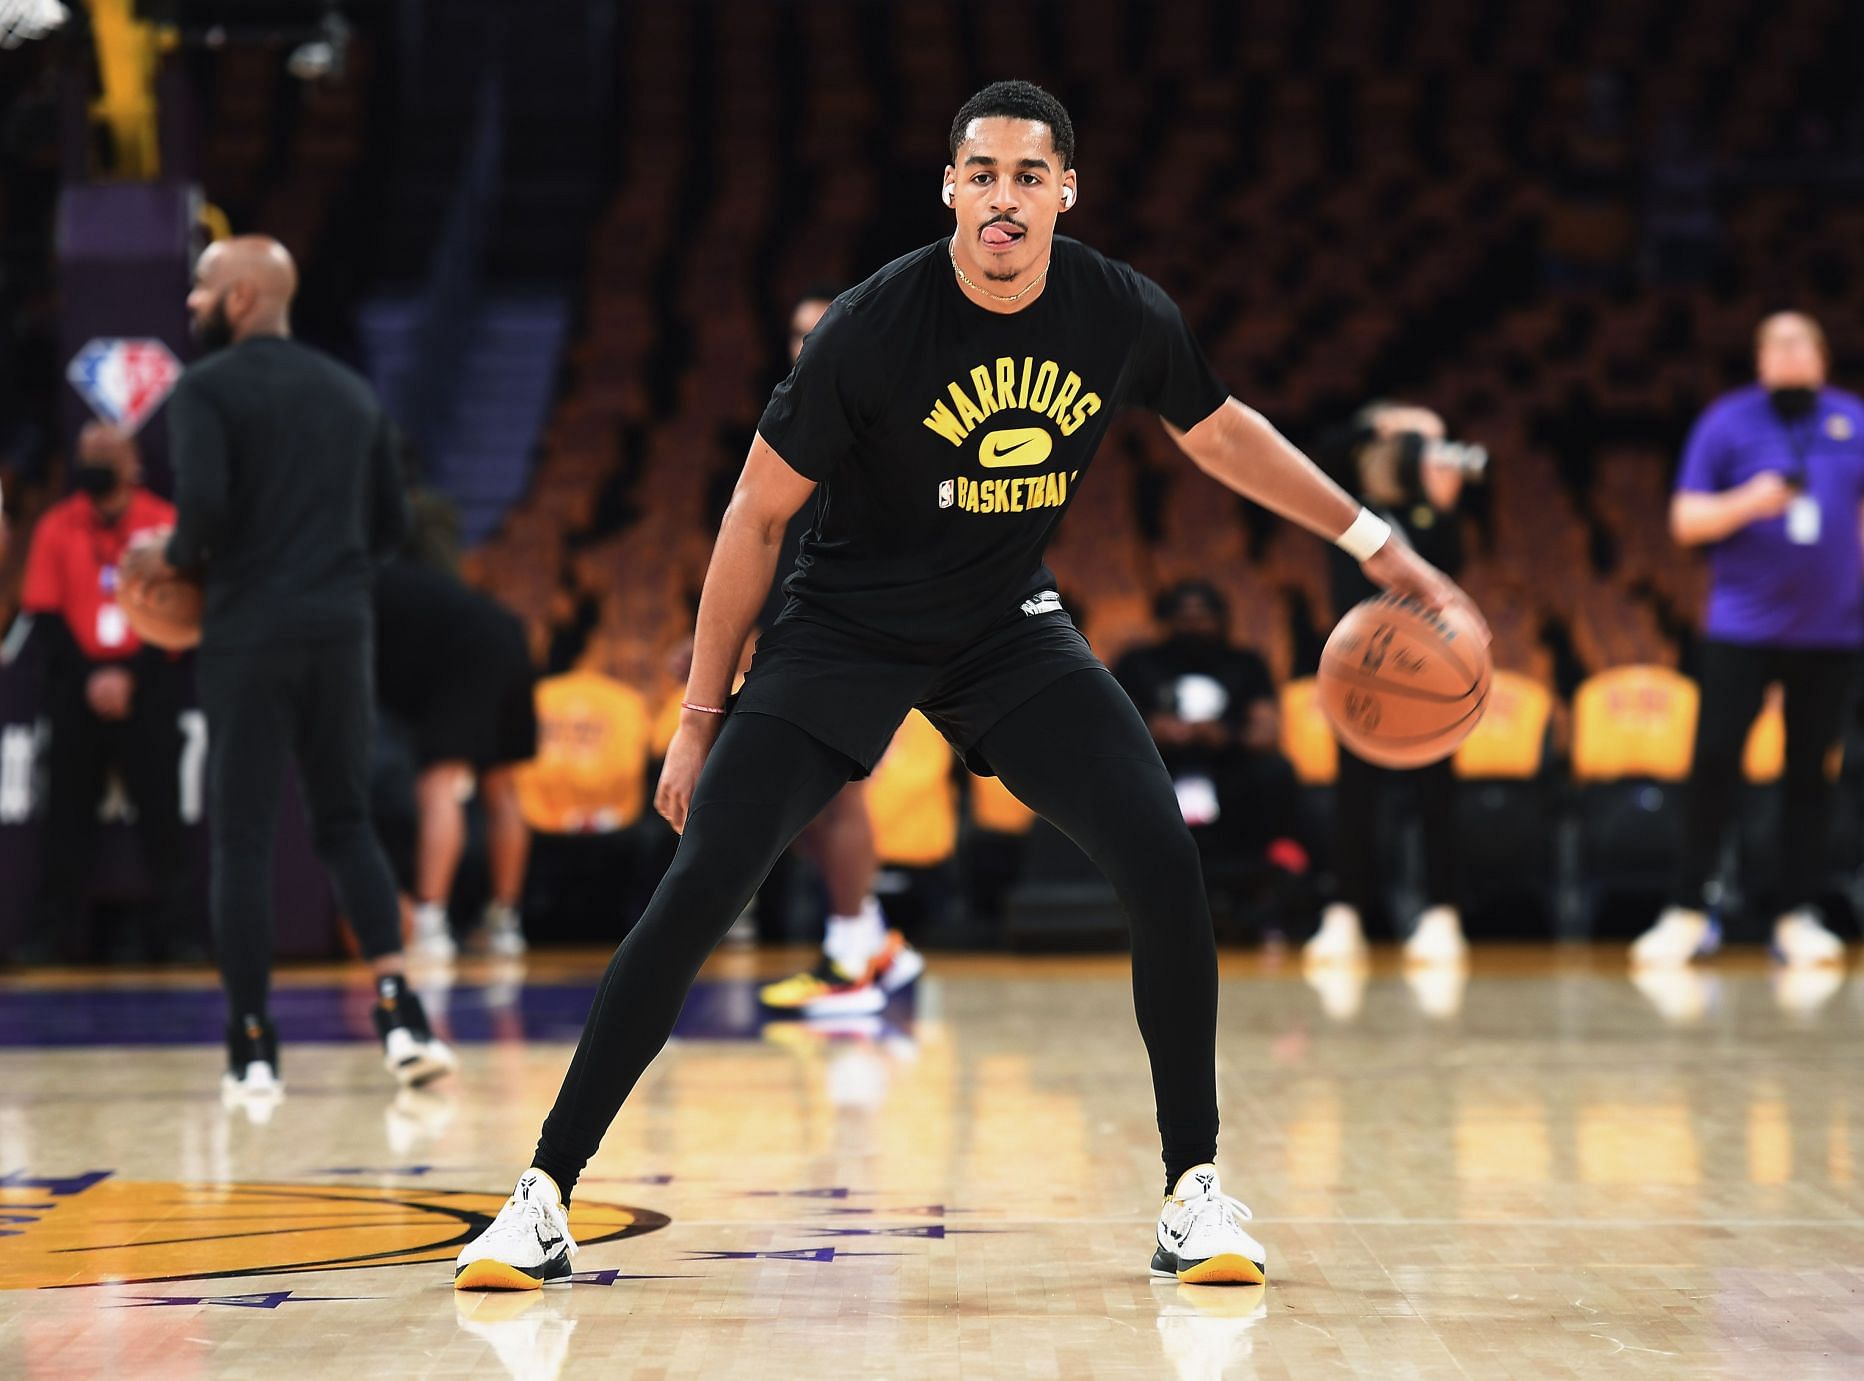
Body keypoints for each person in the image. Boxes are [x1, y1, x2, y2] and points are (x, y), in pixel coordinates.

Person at [455, 80, 1481, 1293]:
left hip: (1002, 625)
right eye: (982, 174)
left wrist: (1375, 539)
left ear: (1065, 192)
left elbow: (1220, 432)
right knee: (700, 887)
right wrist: (698, 716)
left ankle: (1192, 1193)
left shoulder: (1116, 309)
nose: (1004, 198)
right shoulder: (874, 325)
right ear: (949, 186)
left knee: (1161, 850)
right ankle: (543, 1195)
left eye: (1028, 176)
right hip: (841, 626)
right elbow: (755, 512)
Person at [122, 234, 453, 1097]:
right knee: (346, 822)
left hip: (246, 630)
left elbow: (206, 511)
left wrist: (171, 554)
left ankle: (253, 1046)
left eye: (199, 290)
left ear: (239, 298)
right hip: (342, 630)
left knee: (243, 835)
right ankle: (400, 1015)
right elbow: (389, 526)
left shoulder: (204, 390)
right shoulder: (351, 392)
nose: (190, 305)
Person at [1631, 311, 1864, 970]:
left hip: (1832, 631)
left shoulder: (1854, 420)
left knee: (1812, 775)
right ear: (1759, 359)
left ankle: (1796, 914)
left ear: (1821, 356)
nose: (1789, 352)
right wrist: (1746, 503)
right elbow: (1684, 520)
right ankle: (1688, 908)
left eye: (1801, 341)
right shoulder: (1726, 421)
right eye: (1776, 342)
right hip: (1742, 628)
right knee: (1716, 763)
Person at [756, 286, 925, 1018]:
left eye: (818, 332)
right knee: (799, 814)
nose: (806, 346)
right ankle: (876, 942)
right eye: (796, 334)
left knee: (837, 797)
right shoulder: (791, 426)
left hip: (863, 645)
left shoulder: (881, 424)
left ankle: (854, 955)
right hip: (801, 645)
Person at [15, 422, 197, 963]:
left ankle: (180, 937)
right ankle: (50, 937)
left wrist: (130, 676)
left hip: (150, 683)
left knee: (164, 818)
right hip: (79, 689)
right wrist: (94, 678)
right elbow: (44, 614)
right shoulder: (56, 525)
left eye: (106, 454)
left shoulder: (165, 524)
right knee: (64, 820)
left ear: (133, 464)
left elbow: (186, 610)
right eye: (86, 452)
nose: (93, 461)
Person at [1304, 401, 1471, 968]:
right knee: (1356, 794)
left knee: (1437, 792)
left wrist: (1442, 507)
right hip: (1360, 667)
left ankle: (1443, 911)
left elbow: (1452, 569)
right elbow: (1322, 447)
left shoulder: (1426, 511)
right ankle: (1345, 912)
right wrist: (1381, 427)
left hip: (1429, 669)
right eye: (1415, 446)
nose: (1425, 455)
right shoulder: (1349, 503)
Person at [374, 553, 538, 961]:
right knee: (499, 785)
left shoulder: (360, 586)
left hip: (466, 653)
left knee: (439, 781)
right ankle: (504, 924)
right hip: (511, 637)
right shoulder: (413, 579)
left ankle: (429, 924)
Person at [1112, 579, 1303, 928]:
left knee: (1278, 770)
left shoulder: (1245, 663)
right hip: (1160, 769)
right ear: (1166, 619)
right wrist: (1155, 730)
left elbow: (1266, 731)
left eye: (1202, 616)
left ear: (1221, 619)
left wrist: (1223, 734)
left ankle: (1276, 871)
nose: (1193, 624)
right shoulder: (1137, 663)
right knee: (1115, 777)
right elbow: (1111, 727)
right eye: (1183, 616)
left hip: (1229, 770)